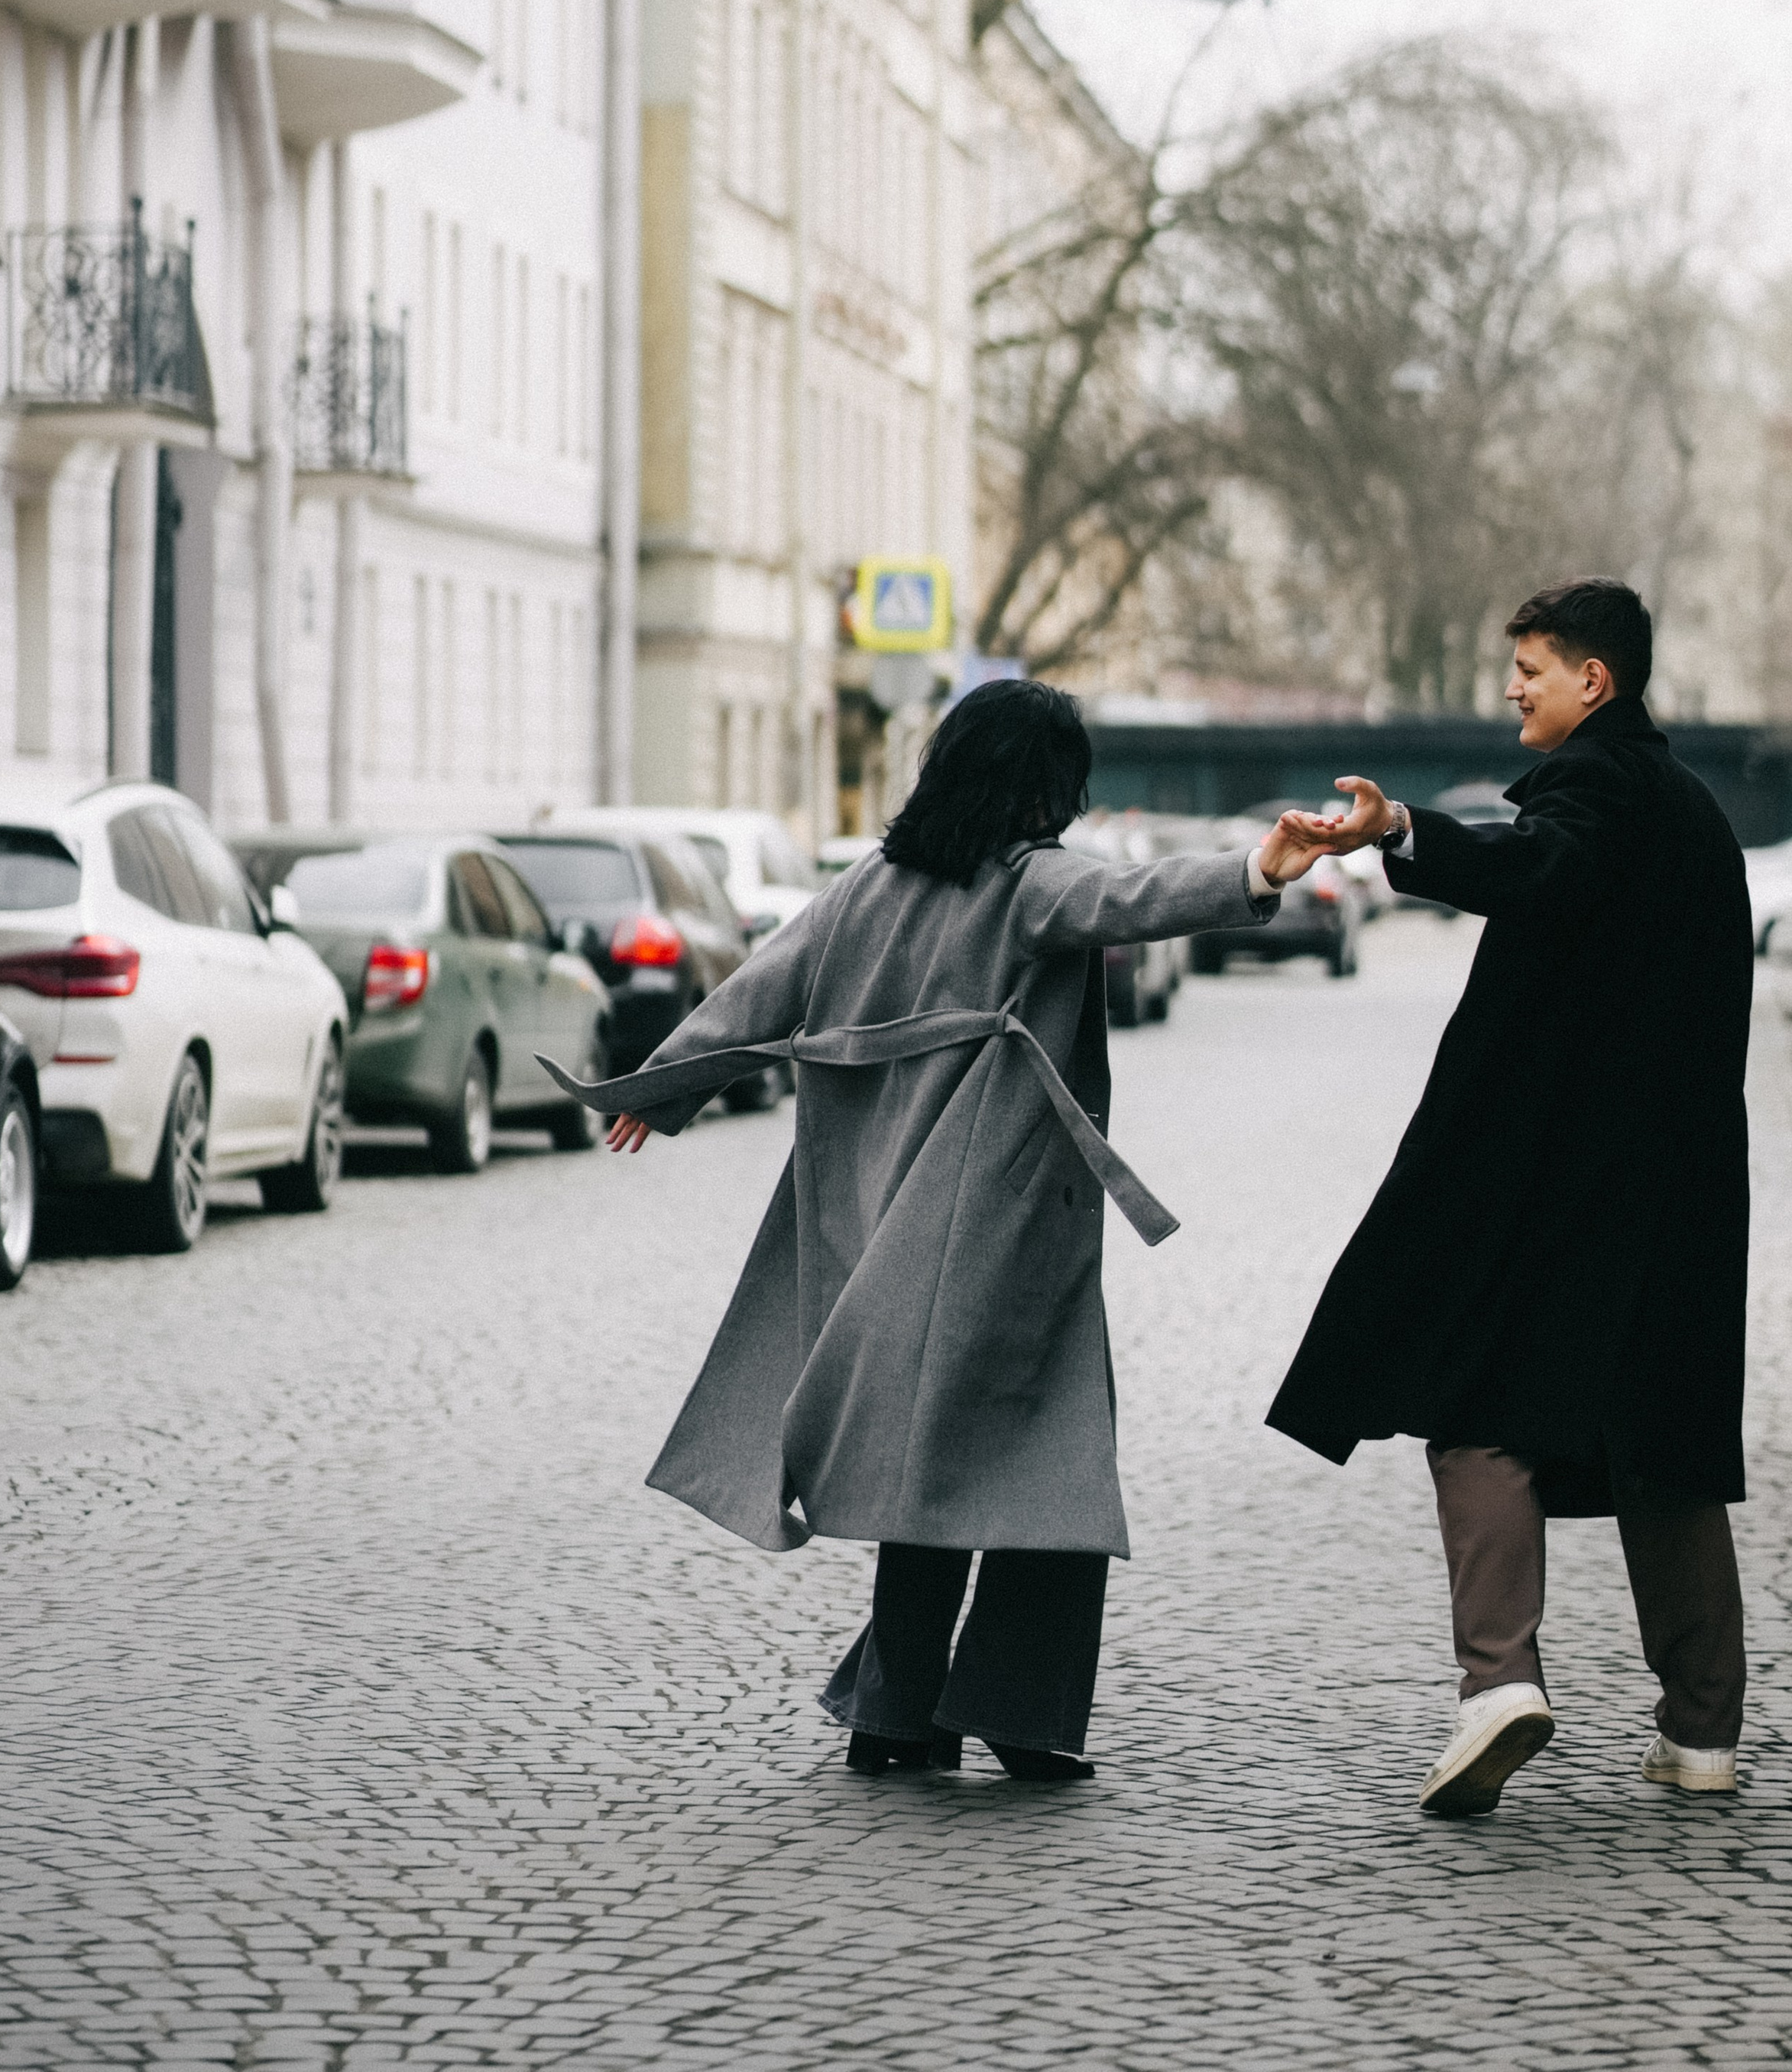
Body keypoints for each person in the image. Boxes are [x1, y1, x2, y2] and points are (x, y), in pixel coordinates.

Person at [540, 678, 1342, 1783]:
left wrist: (660, 1085)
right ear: (1048, 785)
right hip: (1003, 1229)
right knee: (1049, 1459)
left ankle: (897, 1716)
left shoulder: (864, 884)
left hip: (877, 1227)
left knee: (937, 1465)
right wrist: (1261, 869)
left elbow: (757, 994)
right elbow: (1137, 897)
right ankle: (1016, 1716)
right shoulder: (1028, 885)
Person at [1266, 579, 1752, 1819]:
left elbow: (1534, 867)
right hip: (1684, 1189)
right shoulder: (1697, 815)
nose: (1511, 688)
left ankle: (1498, 1685)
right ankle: (1702, 1733)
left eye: (1530, 667)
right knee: (1666, 1439)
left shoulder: (1599, 789)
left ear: (1597, 682)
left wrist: (1398, 831)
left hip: (1553, 1178)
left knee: (1472, 1400)